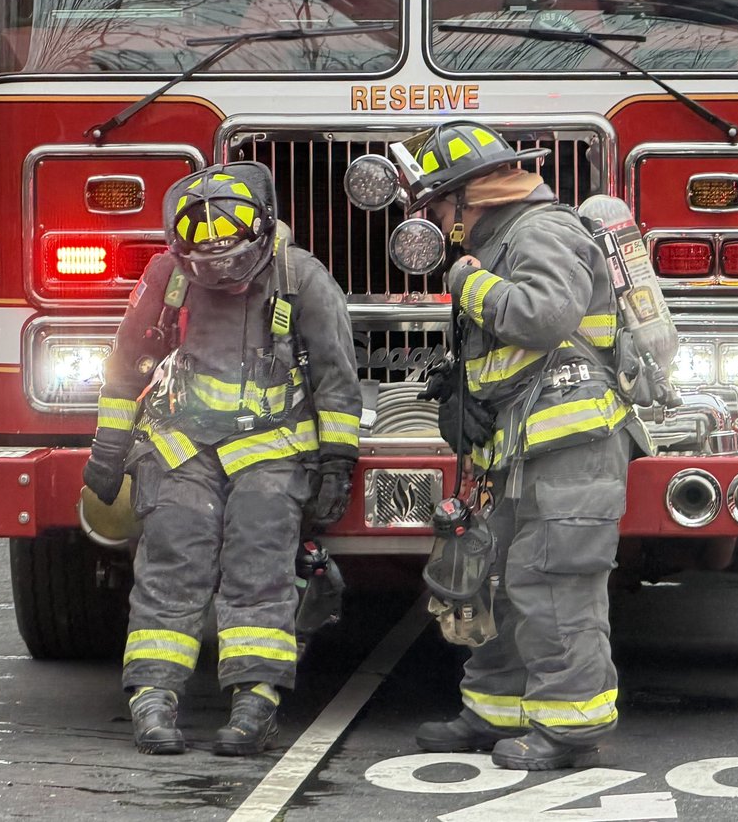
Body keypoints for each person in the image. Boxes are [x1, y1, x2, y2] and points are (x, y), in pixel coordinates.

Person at [81, 162, 361, 756]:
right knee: (170, 566)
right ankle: (152, 702)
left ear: (259, 238)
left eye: (232, 266)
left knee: (259, 571)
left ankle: (255, 704)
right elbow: (125, 364)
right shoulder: (168, 275)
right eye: (205, 266)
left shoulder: (301, 277)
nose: (223, 278)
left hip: (272, 451)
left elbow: (337, 379)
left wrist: (338, 460)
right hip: (182, 450)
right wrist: (108, 446)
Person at [395, 121, 647, 771]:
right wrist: (464, 392)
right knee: (498, 578)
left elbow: (544, 316)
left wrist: (466, 284)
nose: (440, 223)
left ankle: (569, 729)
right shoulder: (503, 237)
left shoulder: (542, 231)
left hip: (570, 448)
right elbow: (515, 352)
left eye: (440, 207)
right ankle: (494, 710)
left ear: (468, 196)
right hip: (519, 448)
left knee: (554, 582)